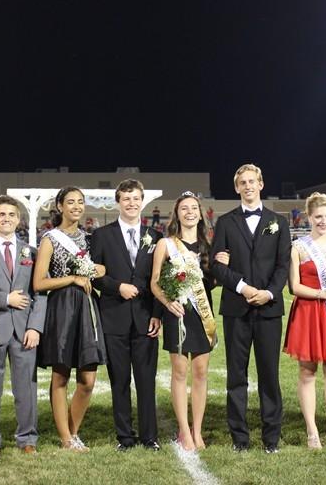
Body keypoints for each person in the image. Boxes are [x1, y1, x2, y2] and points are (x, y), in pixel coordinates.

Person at [210, 164, 290, 453]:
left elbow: (283, 265)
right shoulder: (225, 222)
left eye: (252, 181)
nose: (248, 186)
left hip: (269, 310)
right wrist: (243, 287)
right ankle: (239, 439)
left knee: (270, 375)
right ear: (236, 188)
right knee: (236, 376)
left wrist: (268, 292)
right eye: (242, 182)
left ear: (261, 183)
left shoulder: (279, 222)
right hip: (236, 308)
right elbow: (217, 265)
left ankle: (271, 439)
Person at [91, 179, 163, 451]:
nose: (131, 203)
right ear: (118, 202)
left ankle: (149, 436)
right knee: (119, 380)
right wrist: (117, 287)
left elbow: (162, 280)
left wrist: (157, 314)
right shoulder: (102, 236)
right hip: (114, 317)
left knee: (146, 380)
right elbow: (95, 276)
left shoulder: (155, 236)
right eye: (126, 198)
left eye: (136, 198)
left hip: (146, 318)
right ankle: (125, 437)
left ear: (142, 201)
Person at [33, 186, 107, 451]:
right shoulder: (49, 239)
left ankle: (73, 434)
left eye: (80, 202)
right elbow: (39, 282)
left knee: (87, 380)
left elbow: (102, 268)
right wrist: (73, 278)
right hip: (62, 308)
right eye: (71, 202)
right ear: (60, 206)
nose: (76, 206)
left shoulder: (90, 239)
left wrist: (97, 269)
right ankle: (66, 438)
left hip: (87, 308)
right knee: (61, 376)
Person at [0, 195, 46, 457]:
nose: (6, 219)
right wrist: (4, 299)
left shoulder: (31, 252)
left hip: (25, 330)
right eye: (1, 214)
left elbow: (41, 293)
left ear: (19, 219)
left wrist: (35, 327)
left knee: (26, 388)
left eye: (11, 215)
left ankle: (27, 438)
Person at [283, 193, 326, 448]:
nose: (323, 221)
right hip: (308, 312)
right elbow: (295, 286)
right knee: (307, 372)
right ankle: (312, 430)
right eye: (318, 217)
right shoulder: (299, 247)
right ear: (309, 217)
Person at [151, 192, 217, 452]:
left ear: (200, 214)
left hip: (203, 312)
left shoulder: (209, 245)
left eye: (194, 208)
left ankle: (197, 430)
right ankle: (183, 430)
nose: (189, 212)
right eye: (184, 208)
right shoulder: (166, 244)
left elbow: (212, 282)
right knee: (180, 372)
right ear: (176, 214)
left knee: (200, 373)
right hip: (177, 311)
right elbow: (155, 281)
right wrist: (167, 303)